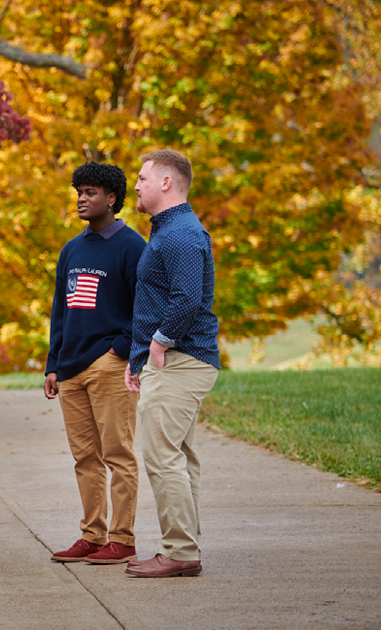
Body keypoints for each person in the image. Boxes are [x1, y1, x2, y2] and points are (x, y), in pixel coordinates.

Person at [44, 162, 147, 565]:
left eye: (90, 192)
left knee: (118, 454)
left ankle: (122, 539)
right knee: (84, 458)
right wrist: (54, 363)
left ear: (111, 198)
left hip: (109, 365)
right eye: (79, 192)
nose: (82, 199)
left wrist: (120, 350)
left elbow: (146, 307)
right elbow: (61, 312)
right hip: (70, 368)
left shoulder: (133, 247)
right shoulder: (72, 249)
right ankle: (92, 535)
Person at [124, 149, 221, 578]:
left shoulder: (180, 233)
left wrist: (159, 344)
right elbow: (159, 298)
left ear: (166, 182)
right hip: (173, 358)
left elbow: (187, 299)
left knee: (162, 456)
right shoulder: (170, 230)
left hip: (181, 359)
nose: (137, 185)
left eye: (143, 178)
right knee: (179, 456)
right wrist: (138, 356)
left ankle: (179, 551)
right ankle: (186, 546)